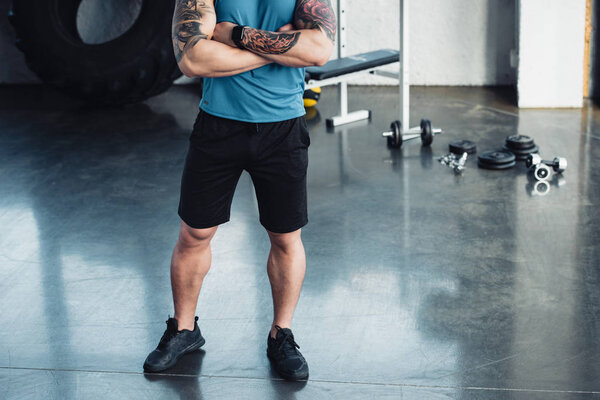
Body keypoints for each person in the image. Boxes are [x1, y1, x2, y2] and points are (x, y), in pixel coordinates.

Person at [143, 0, 336, 381]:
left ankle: (281, 334)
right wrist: (280, 52)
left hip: (284, 129)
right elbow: (193, 60)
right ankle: (184, 330)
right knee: (194, 234)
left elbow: (318, 51)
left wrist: (234, 36)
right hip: (218, 126)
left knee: (285, 237)